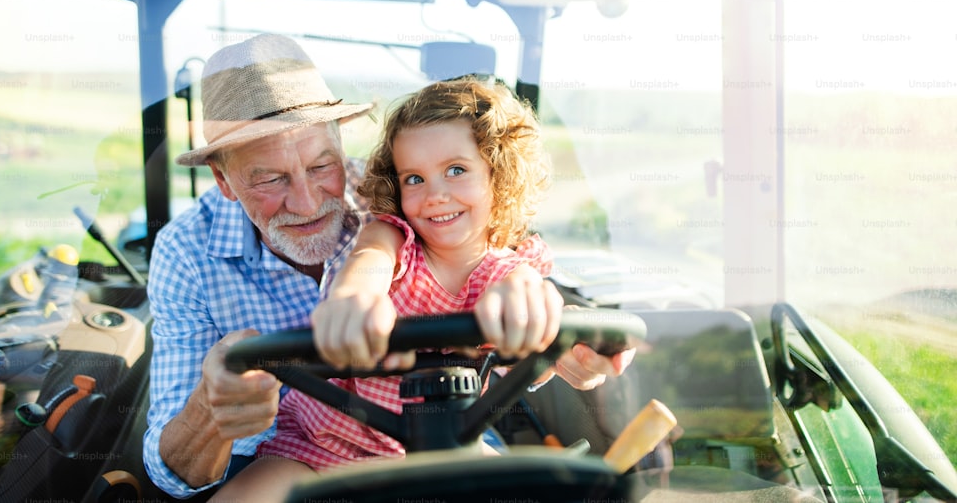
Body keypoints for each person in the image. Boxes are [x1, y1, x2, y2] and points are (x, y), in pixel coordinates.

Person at [143, 34, 630, 499]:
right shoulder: (186, 252)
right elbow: (172, 473)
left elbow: (498, 264)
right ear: (224, 180)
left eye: (320, 167)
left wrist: (545, 322)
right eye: (270, 179)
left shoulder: (401, 195)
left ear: (339, 138)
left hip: (437, 439)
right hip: (302, 447)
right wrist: (211, 408)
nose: (308, 200)